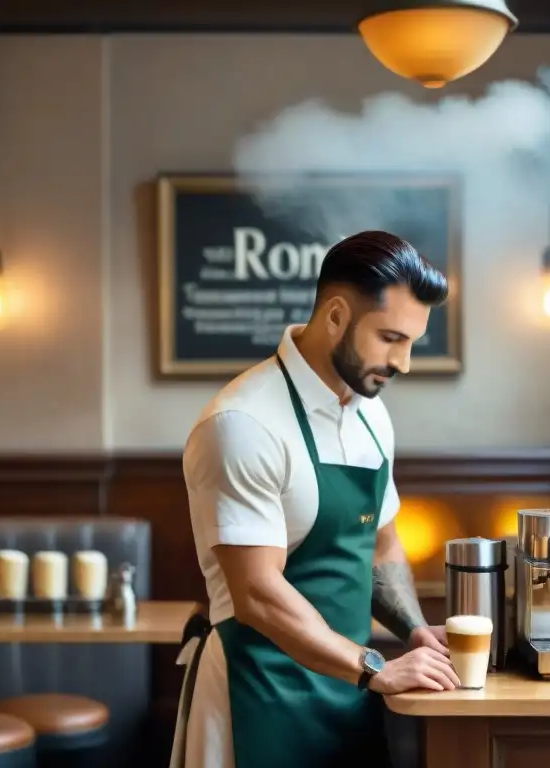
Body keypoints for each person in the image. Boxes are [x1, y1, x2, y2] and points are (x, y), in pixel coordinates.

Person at [172, 230, 460, 768]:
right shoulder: (242, 423)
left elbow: (381, 544)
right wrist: (374, 666)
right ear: (335, 317)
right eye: (391, 338)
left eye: (412, 342)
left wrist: (414, 630)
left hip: (349, 688)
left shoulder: (372, 412)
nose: (405, 362)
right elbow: (257, 594)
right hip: (257, 687)